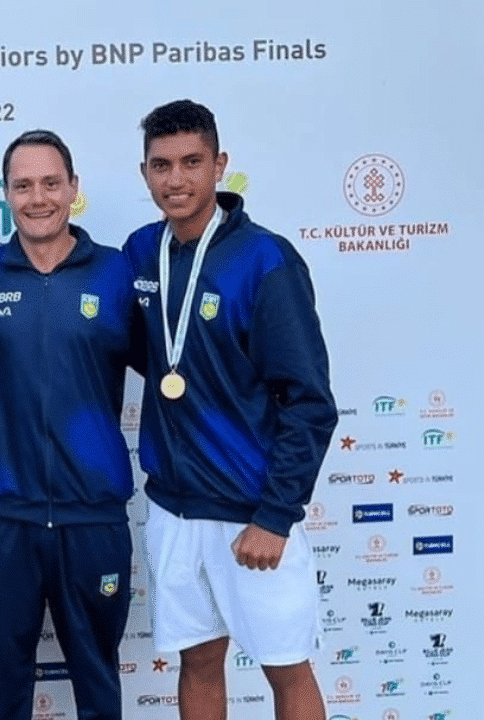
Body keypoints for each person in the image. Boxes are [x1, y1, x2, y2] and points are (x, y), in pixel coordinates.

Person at [122, 99, 336, 720]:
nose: (177, 179)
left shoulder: (266, 261)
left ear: (220, 165)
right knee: (197, 660)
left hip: (252, 510)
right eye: (162, 165)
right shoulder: (141, 252)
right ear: (145, 174)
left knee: (287, 667)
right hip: (173, 506)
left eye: (192, 162)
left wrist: (275, 514)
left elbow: (310, 402)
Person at [0, 130, 139, 720]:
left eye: (50, 183)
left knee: (97, 684)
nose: (38, 197)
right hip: (2, 516)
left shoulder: (118, 274)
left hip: (92, 514)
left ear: (73, 189)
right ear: (5, 195)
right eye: (23, 186)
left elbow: (178, 370)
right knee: (2, 688)